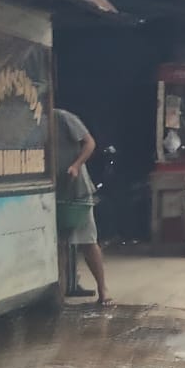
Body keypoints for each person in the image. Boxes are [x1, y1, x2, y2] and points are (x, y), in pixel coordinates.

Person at [54, 108, 110, 306]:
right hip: (53, 191)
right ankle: (61, 291)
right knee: (58, 242)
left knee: (88, 241)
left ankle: (102, 290)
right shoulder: (31, 121)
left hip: (77, 190)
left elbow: (90, 143)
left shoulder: (63, 118)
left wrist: (76, 165)